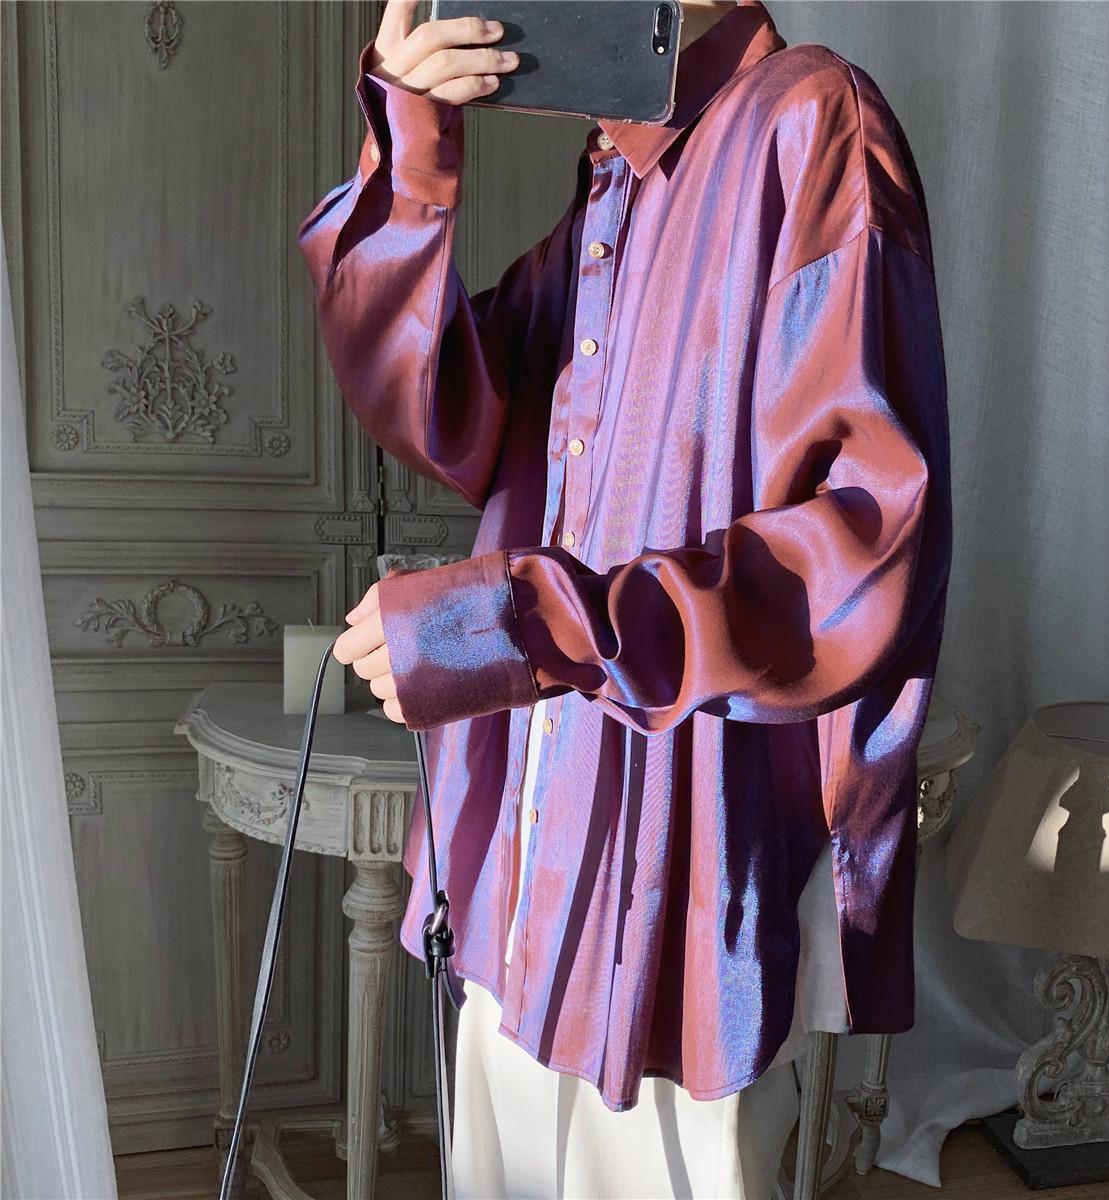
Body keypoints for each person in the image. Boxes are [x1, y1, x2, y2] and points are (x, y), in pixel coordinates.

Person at [297, 0, 953, 1195]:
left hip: (679, 854)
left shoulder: (810, 123)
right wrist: (411, 149)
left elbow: (864, 547)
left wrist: (521, 623)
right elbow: (447, 410)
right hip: (530, 836)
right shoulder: (616, 176)